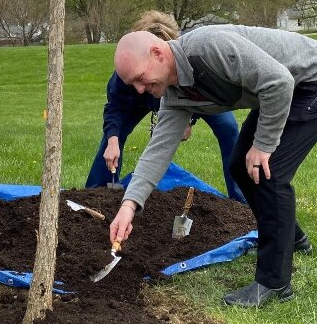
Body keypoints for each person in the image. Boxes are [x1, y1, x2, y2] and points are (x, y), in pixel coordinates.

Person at [110, 25, 317, 307]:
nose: (140, 90)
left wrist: (263, 145)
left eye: (140, 79)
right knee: (240, 166)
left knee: (268, 172)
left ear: (157, 53)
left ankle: (274, 284)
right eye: (134, 85)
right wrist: (129, 206)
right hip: (282, 89)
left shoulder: (209, 48)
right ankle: (293, 238)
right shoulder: (175, 94)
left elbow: (279, 82)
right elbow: (158, 151)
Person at [86, 11, 245, 203]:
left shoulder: (184, 59)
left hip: (192, 97)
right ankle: (96, 195)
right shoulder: (129, 71)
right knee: (113, 137)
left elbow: (199, 88)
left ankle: (242, 200)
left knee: (228, 129)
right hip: (142, 98)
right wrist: (112, 140)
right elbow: (115, 107)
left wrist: (188, 118)